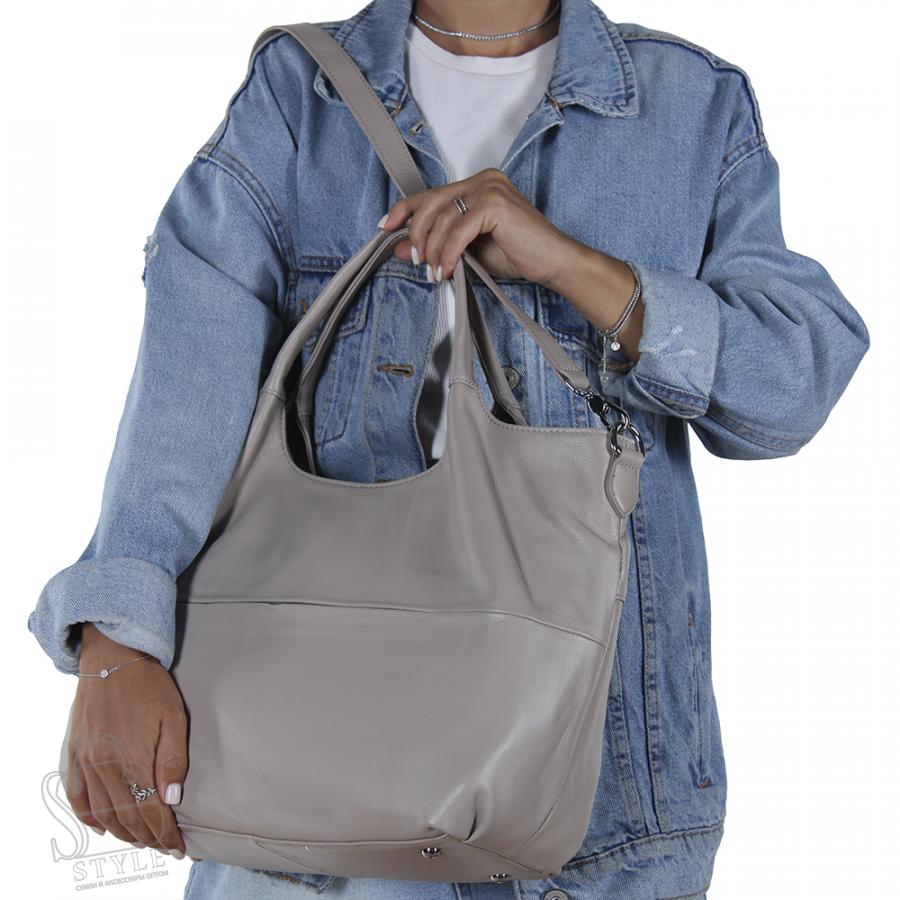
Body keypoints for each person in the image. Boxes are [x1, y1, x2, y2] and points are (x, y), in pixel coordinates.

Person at [27, 0, 870, 898]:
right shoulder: (299, 94)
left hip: (599, 814)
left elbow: (789, 389)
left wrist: (569, 265)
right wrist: (116, 647)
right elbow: (186, 380)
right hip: (308, 808)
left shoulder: (689, 103)